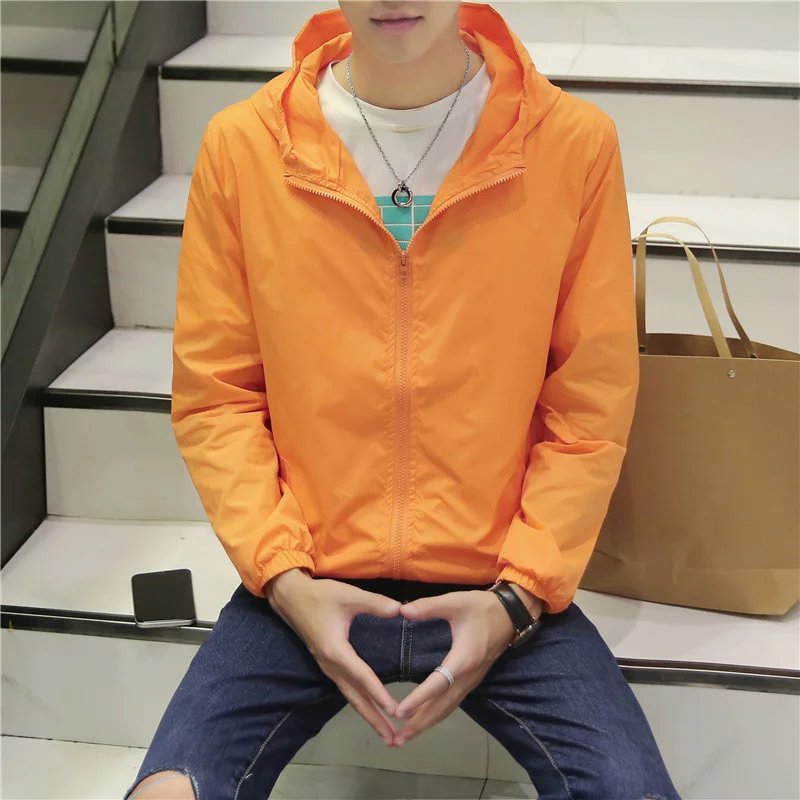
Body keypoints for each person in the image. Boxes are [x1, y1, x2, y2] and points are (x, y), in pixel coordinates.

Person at [124, 2, 681, 798]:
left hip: (500, 580)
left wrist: (517, 600)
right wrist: (286, 582)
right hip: (307, 577)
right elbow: (218, 397)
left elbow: (587, 407)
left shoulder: (570, 143)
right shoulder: (246, 146)